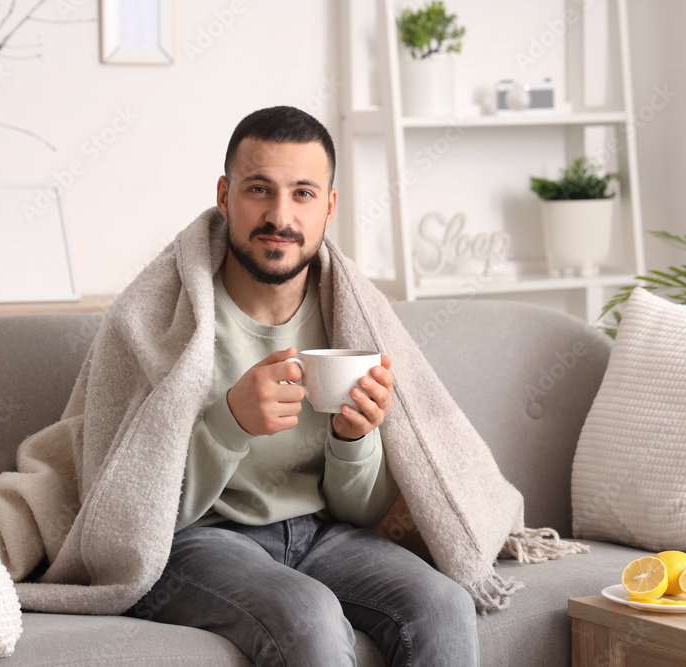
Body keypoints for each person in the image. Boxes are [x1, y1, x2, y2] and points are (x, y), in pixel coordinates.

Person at [123, 106, 480, 666]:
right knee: (308, 614)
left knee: (444, 605)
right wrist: (230, 423)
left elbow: (360, 512)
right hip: (202, 540)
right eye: (259, 189)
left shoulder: (353, 315)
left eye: (303, 194)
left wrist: (353, 438)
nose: (279, 215)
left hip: (322, 534)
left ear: (329, 206)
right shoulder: (162, 320)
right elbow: (136, 507)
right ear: (224, 195)